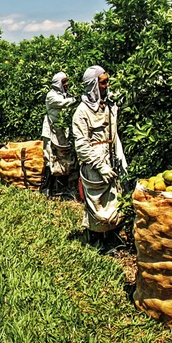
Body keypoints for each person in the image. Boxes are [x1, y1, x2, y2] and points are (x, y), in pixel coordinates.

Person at [71, 66, 128, 248]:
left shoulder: (109, 104)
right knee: (98, 203)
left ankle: (111, 238)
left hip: (111, 156)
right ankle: (96, 241)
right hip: (94, 162)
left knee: (114, 199)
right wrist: (99, 165)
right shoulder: (82, 112)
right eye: (103, 82)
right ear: (94, 85)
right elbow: (81, 146)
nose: (107, 85)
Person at [40, 72, 78, 196]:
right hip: (51, 131)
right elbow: (64, 103)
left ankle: (60, 188)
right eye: (64, 82)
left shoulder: (65, 95)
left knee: (63, 159)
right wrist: (78, 99)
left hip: (60, 131)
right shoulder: (51, 96)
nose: (66, 84)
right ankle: (46, 189)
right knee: (49, 158)